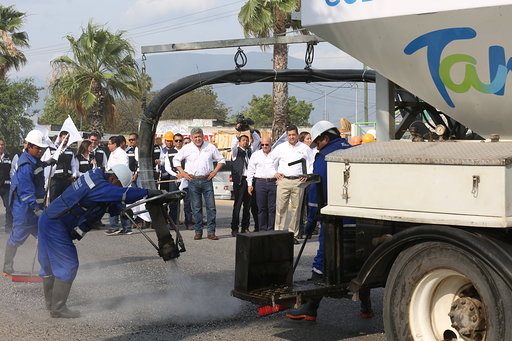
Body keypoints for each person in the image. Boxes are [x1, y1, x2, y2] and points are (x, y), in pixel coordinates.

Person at [38, 165, 161, 318]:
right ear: (112, 179)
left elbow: (105, 201)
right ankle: (57, 309)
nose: (118, 188)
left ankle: (51, 304)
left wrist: (120, 210)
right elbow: (120, 194)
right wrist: (147, 192)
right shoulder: (99, 186)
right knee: (68, 264)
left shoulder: (95, 176)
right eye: (119, 185)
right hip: (56, 225)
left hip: (49, 218)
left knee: (49, 264)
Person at [285, 121, 372, 321]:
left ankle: (310, 309)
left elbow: (316, 192)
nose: (316, 147)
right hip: (358, 219)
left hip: (334, 221)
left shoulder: (324, 157)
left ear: (324, 138)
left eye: (317, 143)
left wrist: (310, 221)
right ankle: (366, 308)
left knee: (322, 261)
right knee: (360, 260)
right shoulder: (355, 151)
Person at [3, 130, 51, 275]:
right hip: (25, 210)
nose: (41, 150)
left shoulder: (33, 160)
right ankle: (7, 266)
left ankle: (47, 269)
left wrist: (46, 163)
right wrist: (37, 209)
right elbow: (26, 192)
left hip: (35, 209)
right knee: (16, 238)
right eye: (38, 148)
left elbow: (37, 167)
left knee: (44, 237)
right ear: (28, 146)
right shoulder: (25, 165)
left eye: (42, 148)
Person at [173, 127, 225, 240]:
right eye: (195, 137)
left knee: (211, 207)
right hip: (193, 181)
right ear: (191, 138)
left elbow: (221, 160)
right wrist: (183, 173)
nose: (198, 139)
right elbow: (176, 160)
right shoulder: (187, 148)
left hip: (207, 180)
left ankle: (211, 232)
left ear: (203, 137)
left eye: (199, 137)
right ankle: (198, 231)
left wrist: (215, 171)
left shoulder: (210, 147)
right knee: (196, 208)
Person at [270, 125, 315, 244]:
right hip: (283, 181)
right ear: (287, 136)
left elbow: (311, 163)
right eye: (289, 135)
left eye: (293, 135)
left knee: (296, 209)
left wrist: (307, 175)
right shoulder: (281, 148)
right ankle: (278, 233)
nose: (291, 137)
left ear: (297, 135)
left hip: (298, 182)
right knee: (280, 208)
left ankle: (293, 235)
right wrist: (275, 173)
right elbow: (270, 160)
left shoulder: (305, 148)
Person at [230, 128, 260, 237]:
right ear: (240, 141)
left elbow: (257, 140)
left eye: (246, 140)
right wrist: (238, 135)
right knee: (237, 206)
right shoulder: (236, 151)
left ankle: (245, 227)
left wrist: (251, 130)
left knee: (247, 205)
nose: (245, 142)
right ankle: (234, 228)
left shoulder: (251, 150)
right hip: (240, 180)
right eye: (243, 140)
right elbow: (233, 145)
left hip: (249, 180)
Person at [246, 136, 278, 231]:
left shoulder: (276, 154)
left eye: (267, 144)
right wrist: (249, 184)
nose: (264, 146)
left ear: (271, 144)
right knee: (261, 208)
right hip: (260, 183)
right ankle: (262, 229)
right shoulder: (255, 155)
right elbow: (250, 170)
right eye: (262, 144)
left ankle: (271, 229)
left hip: (273, 183)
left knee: (272, 208)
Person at [41, 131, 79, 202]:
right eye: (64, 138)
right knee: (54, 199)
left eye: (67, 138)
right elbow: (45, 163)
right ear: (59, 138)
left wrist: (74, 175)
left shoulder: (70, 151)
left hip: (67, 179)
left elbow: (73, 165)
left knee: (66, 200)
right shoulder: (51, 149)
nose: (66, 140)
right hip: (55, 179)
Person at [105, 136, 131, 235]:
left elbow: (123, 168)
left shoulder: (122, 154)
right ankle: (118, 226)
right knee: (115, 203)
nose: (108, 146)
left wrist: (117, 179)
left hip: (118, 181)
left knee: (119, 203)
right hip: (111, 180)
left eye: (109, 143)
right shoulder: (112, 153)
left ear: (115, 144)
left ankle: (122, 227)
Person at [170, 134, 193, 230]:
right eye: (176, 141)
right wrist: (176, 174)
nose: (178, 142)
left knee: (188, 202)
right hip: (174, 177)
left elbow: (191, 164)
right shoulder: (170, 152)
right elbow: (168, 166)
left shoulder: (187, 151)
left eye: (180, 140)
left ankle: (189, 223)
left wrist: (183, 174)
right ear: (173, 141)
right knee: (173, 202)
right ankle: (173, 223)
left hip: (186, 178)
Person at [160, 131, 179, 223]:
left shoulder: (176, 151)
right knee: (164, 199)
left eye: (171, 141)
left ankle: (173, 219)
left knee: (173, 199)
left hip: (172, 177)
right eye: (167, 141)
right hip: (164, 177)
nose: (169, 142)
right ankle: (164, 218)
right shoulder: (162, 151)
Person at [298, 131, 313, 238]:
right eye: (307, 139)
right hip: (301, 179)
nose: (310, 140)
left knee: (309, 204)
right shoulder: (300, 150)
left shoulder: (312, 150)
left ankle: (310, 228)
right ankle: (300, 229)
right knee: (300, 206)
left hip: (309, 179)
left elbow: (311, 164)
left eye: (310, 138)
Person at [0, 139, 13, 234]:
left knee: (9, 207)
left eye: (2, 144)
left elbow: (12, 171)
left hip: (6, 186)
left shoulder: (9, 157)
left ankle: (8, 227)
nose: (1, 146)